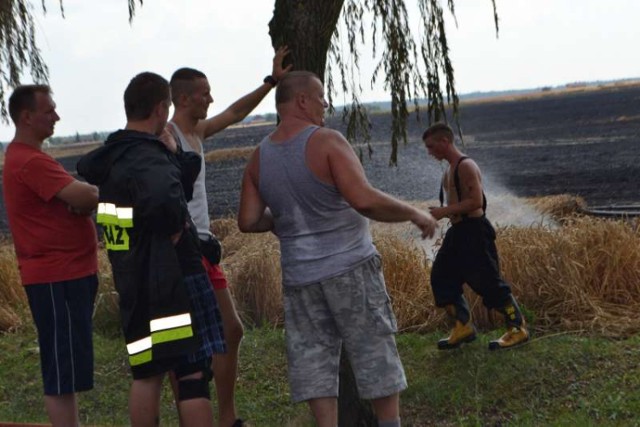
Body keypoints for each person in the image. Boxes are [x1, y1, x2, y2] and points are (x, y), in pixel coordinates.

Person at [237, 71, 438, 427]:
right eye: (320, 96)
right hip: (350, 268)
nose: (325, 104)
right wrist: (413, 213)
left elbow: (249, 220)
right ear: (301, 101)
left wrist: (286, 218)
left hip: (299, 278)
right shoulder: (327, 141)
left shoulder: (259, 158)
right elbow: (363, 199)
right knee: (373, 349)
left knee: (313, 360)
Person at [77, 72, 225, 427]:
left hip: (133, 281)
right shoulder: (147, 156)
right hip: (175, 280)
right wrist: (175, 230)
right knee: (192, 373)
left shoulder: (113, 158)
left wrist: (174, 156)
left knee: (147, 372)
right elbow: (167, 200)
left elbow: (116, 228)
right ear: (161, 109)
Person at [165, 46, 292, 427]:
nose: (212, 99)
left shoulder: (197, 131)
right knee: (209, 334)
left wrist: (270, 82)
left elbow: (236, 113)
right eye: (205, 94)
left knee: (226, 331)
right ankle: (214, 418)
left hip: (203, 247)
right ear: (184, 97)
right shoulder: (168, 138)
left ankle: (223, 417)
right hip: (186, 249)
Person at [3, 84, 99, 426]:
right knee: (60, 370)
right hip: (57, 276)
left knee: (67, 366)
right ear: (27, 117)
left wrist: (81, 200)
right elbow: (85, 196)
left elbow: (78, 199)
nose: (56, 116)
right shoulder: (29, 161)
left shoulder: (32, 158)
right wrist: (87, 197)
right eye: (49, 111)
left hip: (67, 274)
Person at [422, 122, 529, 350]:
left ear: (445, 141)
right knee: (441, 276)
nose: (429, 152)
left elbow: (475, 202)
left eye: (431, 147)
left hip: (474, 231)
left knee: (488, 283)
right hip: (458, 232)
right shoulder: (449, 170)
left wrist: (443, 212)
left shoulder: (465, 166)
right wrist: (441, 214)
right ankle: (464, 327)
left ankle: (517, 328)